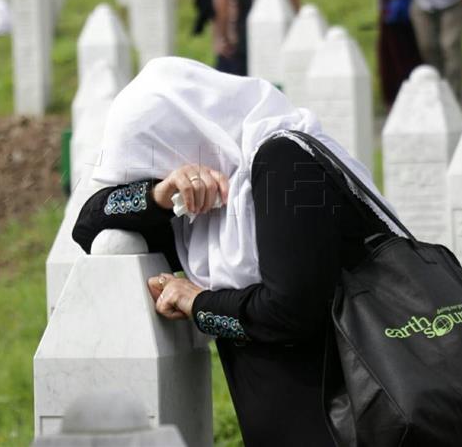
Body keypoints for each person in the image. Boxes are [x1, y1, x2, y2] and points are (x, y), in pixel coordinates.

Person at [72, 57, 401, 446]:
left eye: (153, 163)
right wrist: (156, 195)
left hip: (354, 416)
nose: (155, 174)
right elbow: (88, 225)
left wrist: (200, 305)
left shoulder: (285, 163)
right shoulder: (205, 208)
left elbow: (291, 312)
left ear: (185, 136)